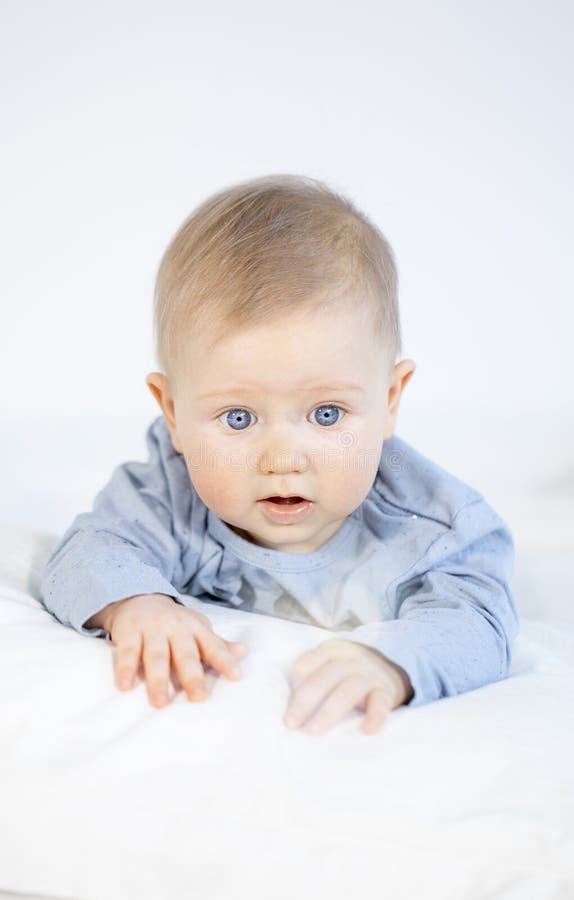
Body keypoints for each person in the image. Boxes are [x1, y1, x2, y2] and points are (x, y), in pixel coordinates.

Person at [39, 173, 520, 736]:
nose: (283, 459)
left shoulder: (432, 527)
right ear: (172, 412)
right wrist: (136, 603)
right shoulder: (171, 492)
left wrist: (393, 663)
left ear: (389, 400)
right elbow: (85, 551)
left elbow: (481, 622)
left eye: (326, 414)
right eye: (238, 418)